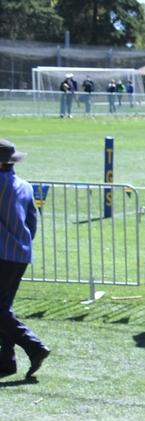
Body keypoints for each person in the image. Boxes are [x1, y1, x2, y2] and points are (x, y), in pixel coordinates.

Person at [0, 139, 49, 379]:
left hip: (2, 254)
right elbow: (32, 223)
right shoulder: (25, 186)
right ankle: (6, 361)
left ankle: (33, 346)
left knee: (0, 310)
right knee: (3, 309)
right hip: (19, 254)